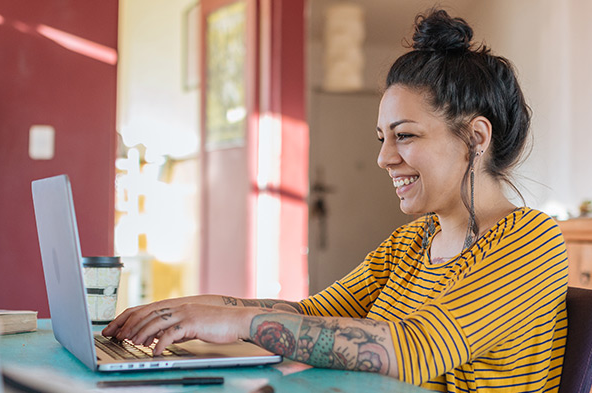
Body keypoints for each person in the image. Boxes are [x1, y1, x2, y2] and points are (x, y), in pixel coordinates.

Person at [103, 9, 567, 393]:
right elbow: (309, 315)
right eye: (382, 137)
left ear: (476, 136)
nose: (384, 158)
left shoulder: (532, 239)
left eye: (404, 136)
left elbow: (413, 350)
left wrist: (238, 323)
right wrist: (189, 312)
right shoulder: (409, 245)